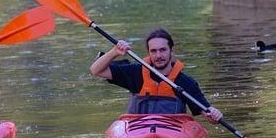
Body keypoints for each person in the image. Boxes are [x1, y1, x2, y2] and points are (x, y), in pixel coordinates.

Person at [89, 28, 223, 123]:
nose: (158, 56)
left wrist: (215, 115)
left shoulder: (186, 82)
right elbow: (96, 70)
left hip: (172, 134)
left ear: (172, 50)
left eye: (163, 50)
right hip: (138, 131)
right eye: (153, 51)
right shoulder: (136, 72)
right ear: (148, 53)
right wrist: (114, 52)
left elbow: (207, 115)